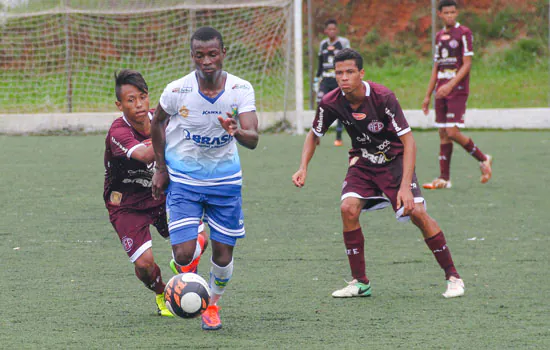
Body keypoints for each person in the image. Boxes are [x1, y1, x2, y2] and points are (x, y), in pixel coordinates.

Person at [292, 48, 465, 299]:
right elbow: (314, 135)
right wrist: (303, 167)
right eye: (339, 73)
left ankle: (453, 277)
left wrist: (405, 186)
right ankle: (360, 282)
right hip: (362, 163)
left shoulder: (383, 97)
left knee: (416, 212)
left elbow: (409, 143)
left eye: (350, 72)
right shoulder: (330, 101)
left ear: (361, 73)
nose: (344, 77)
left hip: (394, 163)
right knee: (348, 208)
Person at [151, 27, 259, 331]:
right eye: (200, 55)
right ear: (192, 56)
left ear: (223, 53)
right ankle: (195, 247)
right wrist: (161, 167)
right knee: (183, 253)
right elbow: (156, 124)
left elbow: (253, 139)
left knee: (223, 257)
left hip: (225, 184)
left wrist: (235, 130)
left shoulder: (240, 90)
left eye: (212, 54)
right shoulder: (176, 91)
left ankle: (212, 304)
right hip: (184, 180)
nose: (206, 61)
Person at [104, 69, 208, 318]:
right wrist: (176, 133)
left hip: (162, 195)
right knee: (145, 265)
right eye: (130, 100)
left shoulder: (161, 119)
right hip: (127, 203)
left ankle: (182, 264)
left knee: (199, 241)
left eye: (142, 97)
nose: (138, 105)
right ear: (119, 104)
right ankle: (164, 292)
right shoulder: (118, 132)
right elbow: (145, 155)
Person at [421, 0, 492, 189]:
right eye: (447, 13)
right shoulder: (439, 36)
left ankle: (483, 158)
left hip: (457, 89)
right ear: (440, 15)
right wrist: (428, 95)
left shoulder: (464, 33)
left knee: (452, 131)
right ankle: (444, 178)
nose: (450, 16)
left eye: (453, 12)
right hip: (441, 89)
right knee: (443, 133)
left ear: (456, 13)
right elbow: (436, 67)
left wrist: (451, 85)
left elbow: (467, 64)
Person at [315, 18, 351, 147]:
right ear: (325, 31)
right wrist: (316, 78)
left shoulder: (343, 43)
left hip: (338, 81)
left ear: (337, 30)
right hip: (325, 80)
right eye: (329, 29)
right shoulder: (323, 44)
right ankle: (316, 135)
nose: (331, 31)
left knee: (340, 107)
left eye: (334, 29)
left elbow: (349, 61)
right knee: (320, 105)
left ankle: (338, 136)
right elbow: (320, 63)